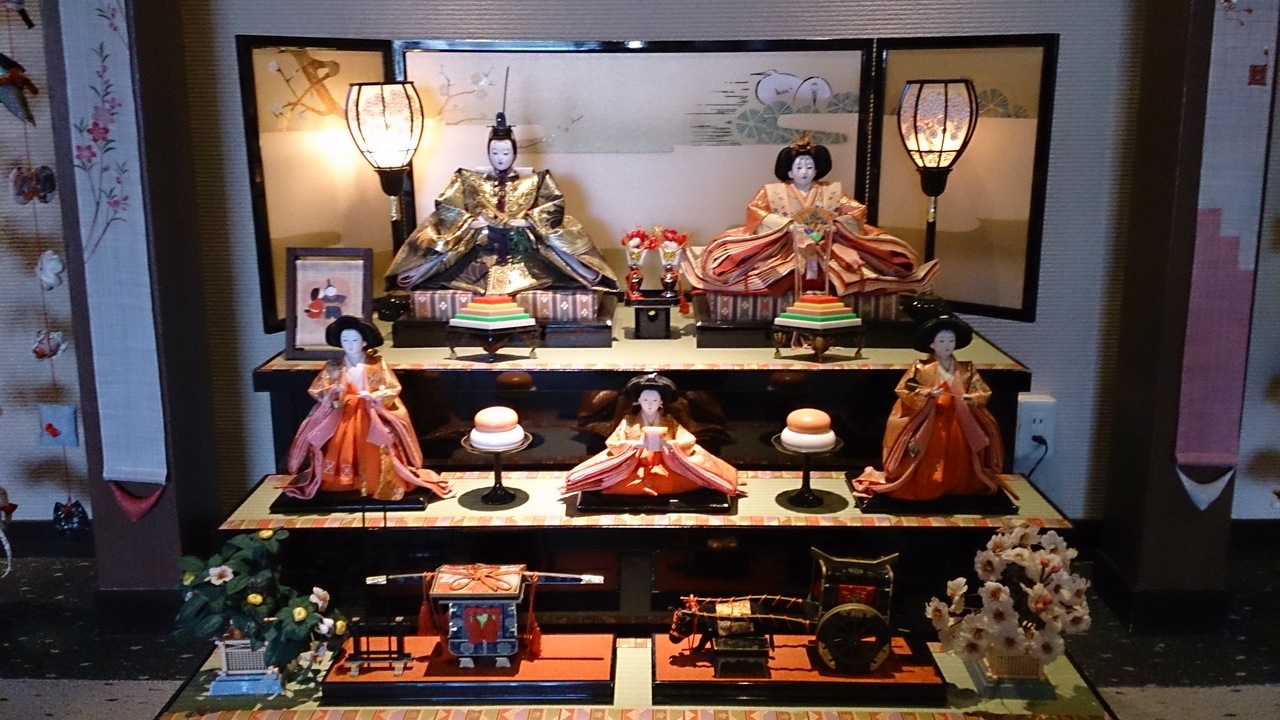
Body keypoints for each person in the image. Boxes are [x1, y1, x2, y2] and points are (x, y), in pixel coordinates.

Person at [385, 112, 618, 296]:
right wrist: (469, 222)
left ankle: (587, 273)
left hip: (523, 241)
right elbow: (447, 205)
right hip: (478, 240)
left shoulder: (537, 181)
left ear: (514, 152)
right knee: (438, 233)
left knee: (559, 234)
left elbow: (553, 206)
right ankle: (412, 275)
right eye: (495, 152)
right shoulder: (467, 179)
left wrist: (528, 221)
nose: (500, 158)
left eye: (505, 153)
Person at [682, 134, 936, 298]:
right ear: (789, 171)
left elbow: (856, 211)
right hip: (783, 245)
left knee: (882, 253)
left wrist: (836, 226)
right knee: (728, 255)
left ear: (817, 170)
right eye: (799, 167)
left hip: (829, 244)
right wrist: (786, 226)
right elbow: (755, 212)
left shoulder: (831, 191)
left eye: (809, 166)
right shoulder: (772, 192)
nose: (804, 171)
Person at [283, 316, 452, 501]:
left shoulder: (377, 364)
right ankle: (342, 483)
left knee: (374, 447)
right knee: (337, 446)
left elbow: (393, 387)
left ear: (364, 342)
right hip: (342, 414)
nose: (349, 344)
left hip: (370, 413)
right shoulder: (333, 367)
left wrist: (375, 396)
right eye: (345, 340)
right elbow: (316, 389)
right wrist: (333, 391)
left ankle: (374, 483)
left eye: (354, 340)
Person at [855, 315, 1013, 501]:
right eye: (942, 341)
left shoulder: (966, 368)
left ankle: (956, 483)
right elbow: (904, 389)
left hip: (959, 420)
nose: (947, 345)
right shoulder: (921, 368)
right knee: (929, 454)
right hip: (931, 420)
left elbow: (983, 391)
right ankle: (929, 482)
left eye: (951, 341)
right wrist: (928, 393)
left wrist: (973, 398)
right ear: (932, 344)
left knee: (959, 455)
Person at [564, 373, 740, 497]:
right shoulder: (629, 421)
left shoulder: (669, 421)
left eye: (654, 400)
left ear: (661, 401)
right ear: (638, 401)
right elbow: (613, 443)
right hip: (634, 466)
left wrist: (669, 444)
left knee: (694, 481)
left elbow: (687, 440)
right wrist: (635, 445)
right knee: (614, 483)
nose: (650, 404)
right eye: (646, 400)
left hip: (666, 465)